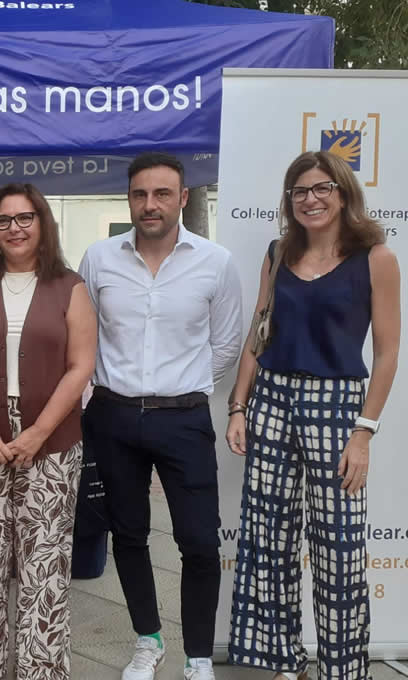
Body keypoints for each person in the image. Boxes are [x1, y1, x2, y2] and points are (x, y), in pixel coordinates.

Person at [225, 151, 401, 680]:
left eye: (321, 188)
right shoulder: (278, 253)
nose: (311, 199)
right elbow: (259, 332)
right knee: (268, 540)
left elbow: (389, 352)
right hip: (272, 400)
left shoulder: (375, 258)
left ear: (344, 192)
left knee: (339, 549)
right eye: (300, 191)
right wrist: (239, 405)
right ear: (289, 201)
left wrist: (364, 433)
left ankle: (341, 670)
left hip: (338, 407)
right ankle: (284, 661)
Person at [78, 152, 243, 680]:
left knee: (198, 539)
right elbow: (84, 338)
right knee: (128, 535)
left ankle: (198, 656)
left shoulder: (215, 262)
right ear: (128, 198)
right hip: (113, 417)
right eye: (140, 194)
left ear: (184, 198)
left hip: (184, 418)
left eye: (162, 194)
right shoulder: (99, 258)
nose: (150, 205)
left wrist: (180, 387)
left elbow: (227, 344)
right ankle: (148, 641)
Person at [0, 183, 97, 680]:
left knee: (44, 563)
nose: (15, 228)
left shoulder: (70, 287)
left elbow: (81, 366)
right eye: (4, 220)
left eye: (25, 218)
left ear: (43, 222)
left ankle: (41, 668)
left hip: (51, 442)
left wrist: (37, 434)